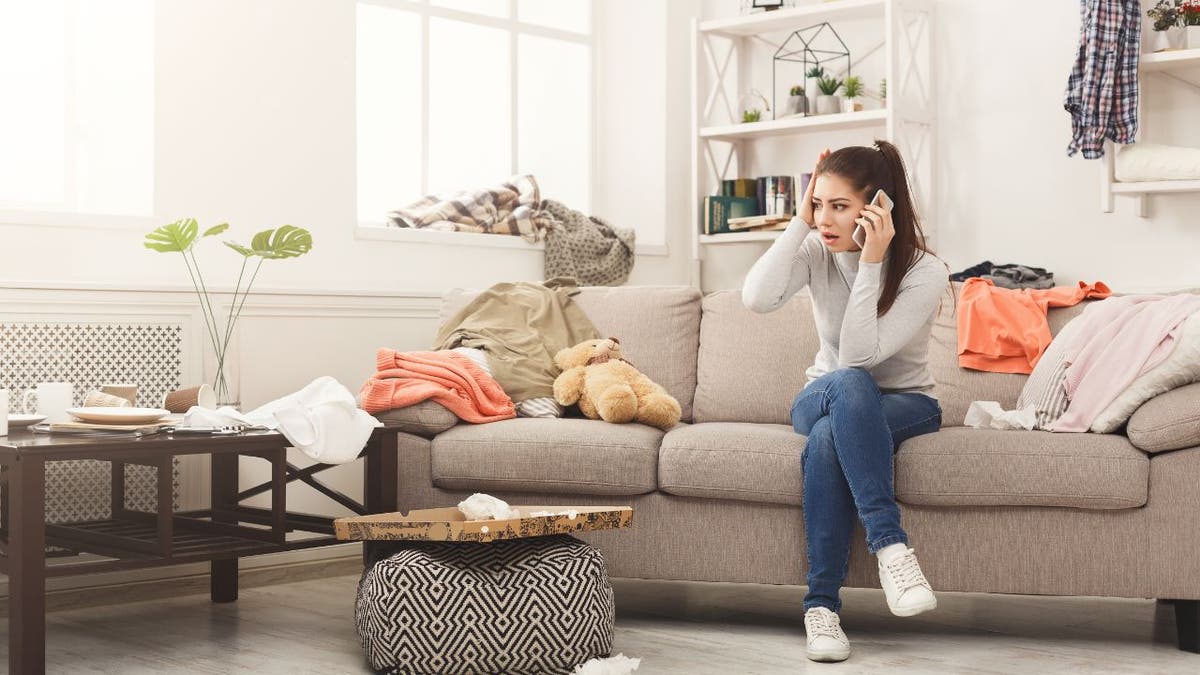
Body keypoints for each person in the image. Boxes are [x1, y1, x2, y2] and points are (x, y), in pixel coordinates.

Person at [741, 140, 950, 663]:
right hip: (823, 393)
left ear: (877, 208)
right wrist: (798, 221)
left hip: (906, 402)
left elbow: (862, 353)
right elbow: (757, 298)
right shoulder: (817, 248)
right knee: (848, 388)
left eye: (839, 206)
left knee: (836, 431)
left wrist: (873, 261)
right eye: (819, 203)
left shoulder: (926, 271)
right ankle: (892, 549)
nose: (825, 219)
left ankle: (821, 609)